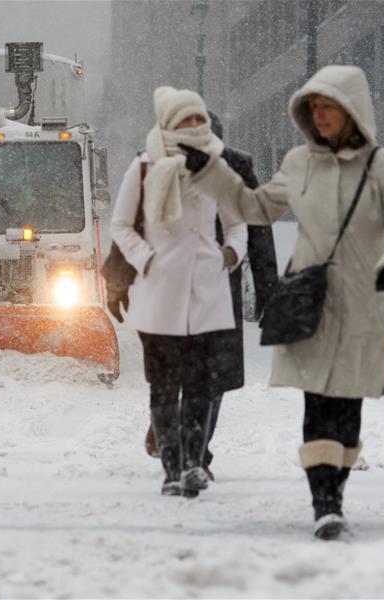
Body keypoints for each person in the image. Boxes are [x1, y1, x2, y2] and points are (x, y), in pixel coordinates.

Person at [181, 65, 384, 539]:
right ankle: (325, 504)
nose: (320, 115)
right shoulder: (297, 163)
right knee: (316, 404)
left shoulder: (382, 165)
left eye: (328, 106)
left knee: (347, 409)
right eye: (314, 108)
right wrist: (212, 174)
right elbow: (255, 208)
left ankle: (336, 488)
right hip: (312, 303)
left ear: (352, 110)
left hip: (361, 304)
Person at [109, 86, 246, 498]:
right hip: (161, 292)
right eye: (185, 119)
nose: (193, 125)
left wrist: (229, 255)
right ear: (168, 123)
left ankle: (193, 464)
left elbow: (238, 223)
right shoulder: (146, 166)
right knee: (165, 387)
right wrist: (145, 259)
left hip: (207, 290)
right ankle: (171, 468)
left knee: (202, 385)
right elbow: (120, 225)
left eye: (197, 118)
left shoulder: (217, 168)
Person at [143, 110, 278, 482]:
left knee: (213, 378)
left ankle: (196, 455)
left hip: (219, 286)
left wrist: (268, 290)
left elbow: (258, 229)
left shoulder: (236, 168)